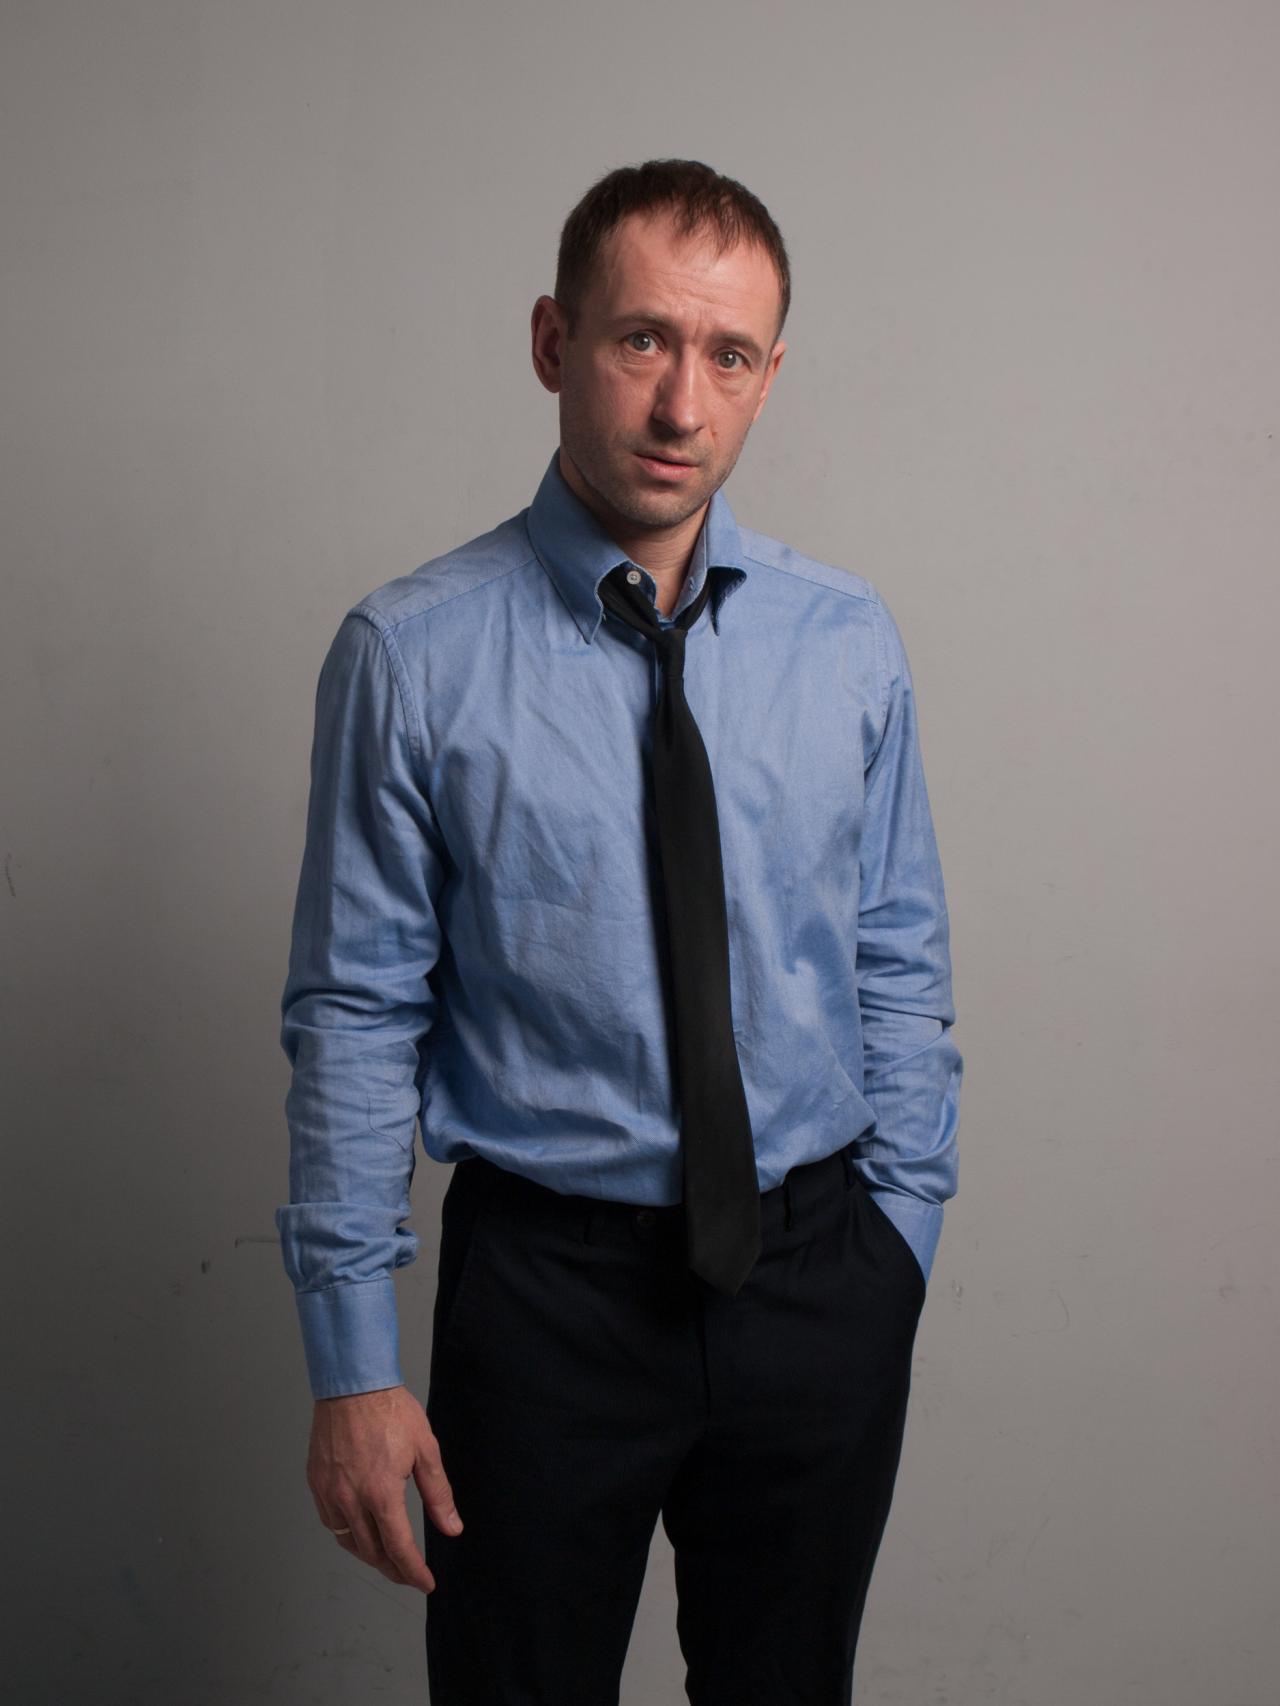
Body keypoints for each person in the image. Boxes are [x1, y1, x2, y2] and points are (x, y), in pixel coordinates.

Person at [276, 157, 962, 1704]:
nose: (681, 404)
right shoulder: (413, 655)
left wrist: (895, 1248)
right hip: (547, 1300)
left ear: (770, 377)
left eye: (729, 355)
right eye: (643, 338)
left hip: (816, 1277)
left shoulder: (846, 641)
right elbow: (357, 1014)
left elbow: (898, 962)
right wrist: (353, 1359)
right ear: (554, 341)